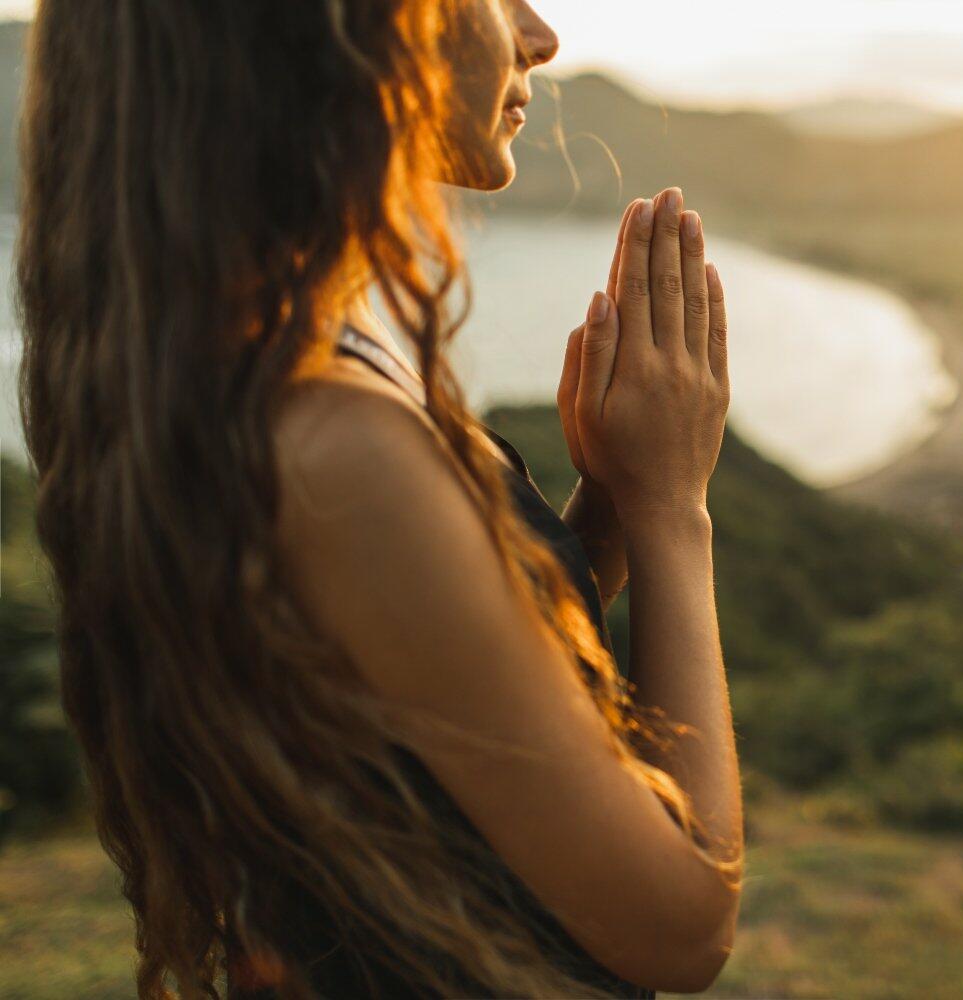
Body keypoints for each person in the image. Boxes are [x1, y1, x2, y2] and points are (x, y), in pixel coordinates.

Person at [16, 0, 743, 997]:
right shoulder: (332, 445)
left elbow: (441, 710)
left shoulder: (271, 371)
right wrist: (673, 511)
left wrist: (609, 507)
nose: (540, 33)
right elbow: (683, 924)